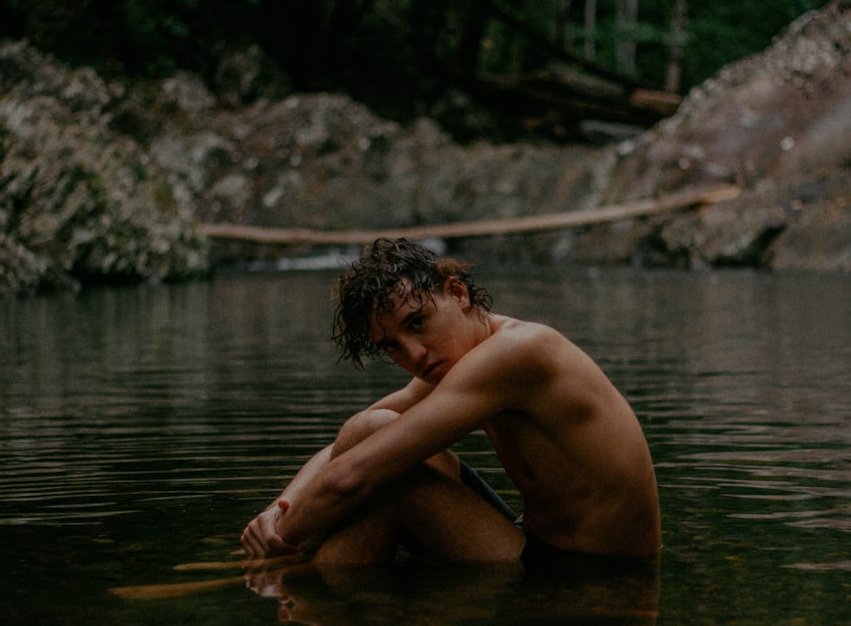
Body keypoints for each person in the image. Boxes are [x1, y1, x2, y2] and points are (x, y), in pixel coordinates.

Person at [241, 238, 660, 566]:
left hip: (591, 571)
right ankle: (308, 593)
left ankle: (293, 592)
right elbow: (355, 436)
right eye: (392, 346)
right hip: (537, 540)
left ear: (457, 293)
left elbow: (352, 475)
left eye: (418, 323)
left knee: (388, 484)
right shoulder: (459, 360)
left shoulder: (520, 351)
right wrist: (279, 509)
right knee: (371, 431)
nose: (415, 355)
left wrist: (279, 542)